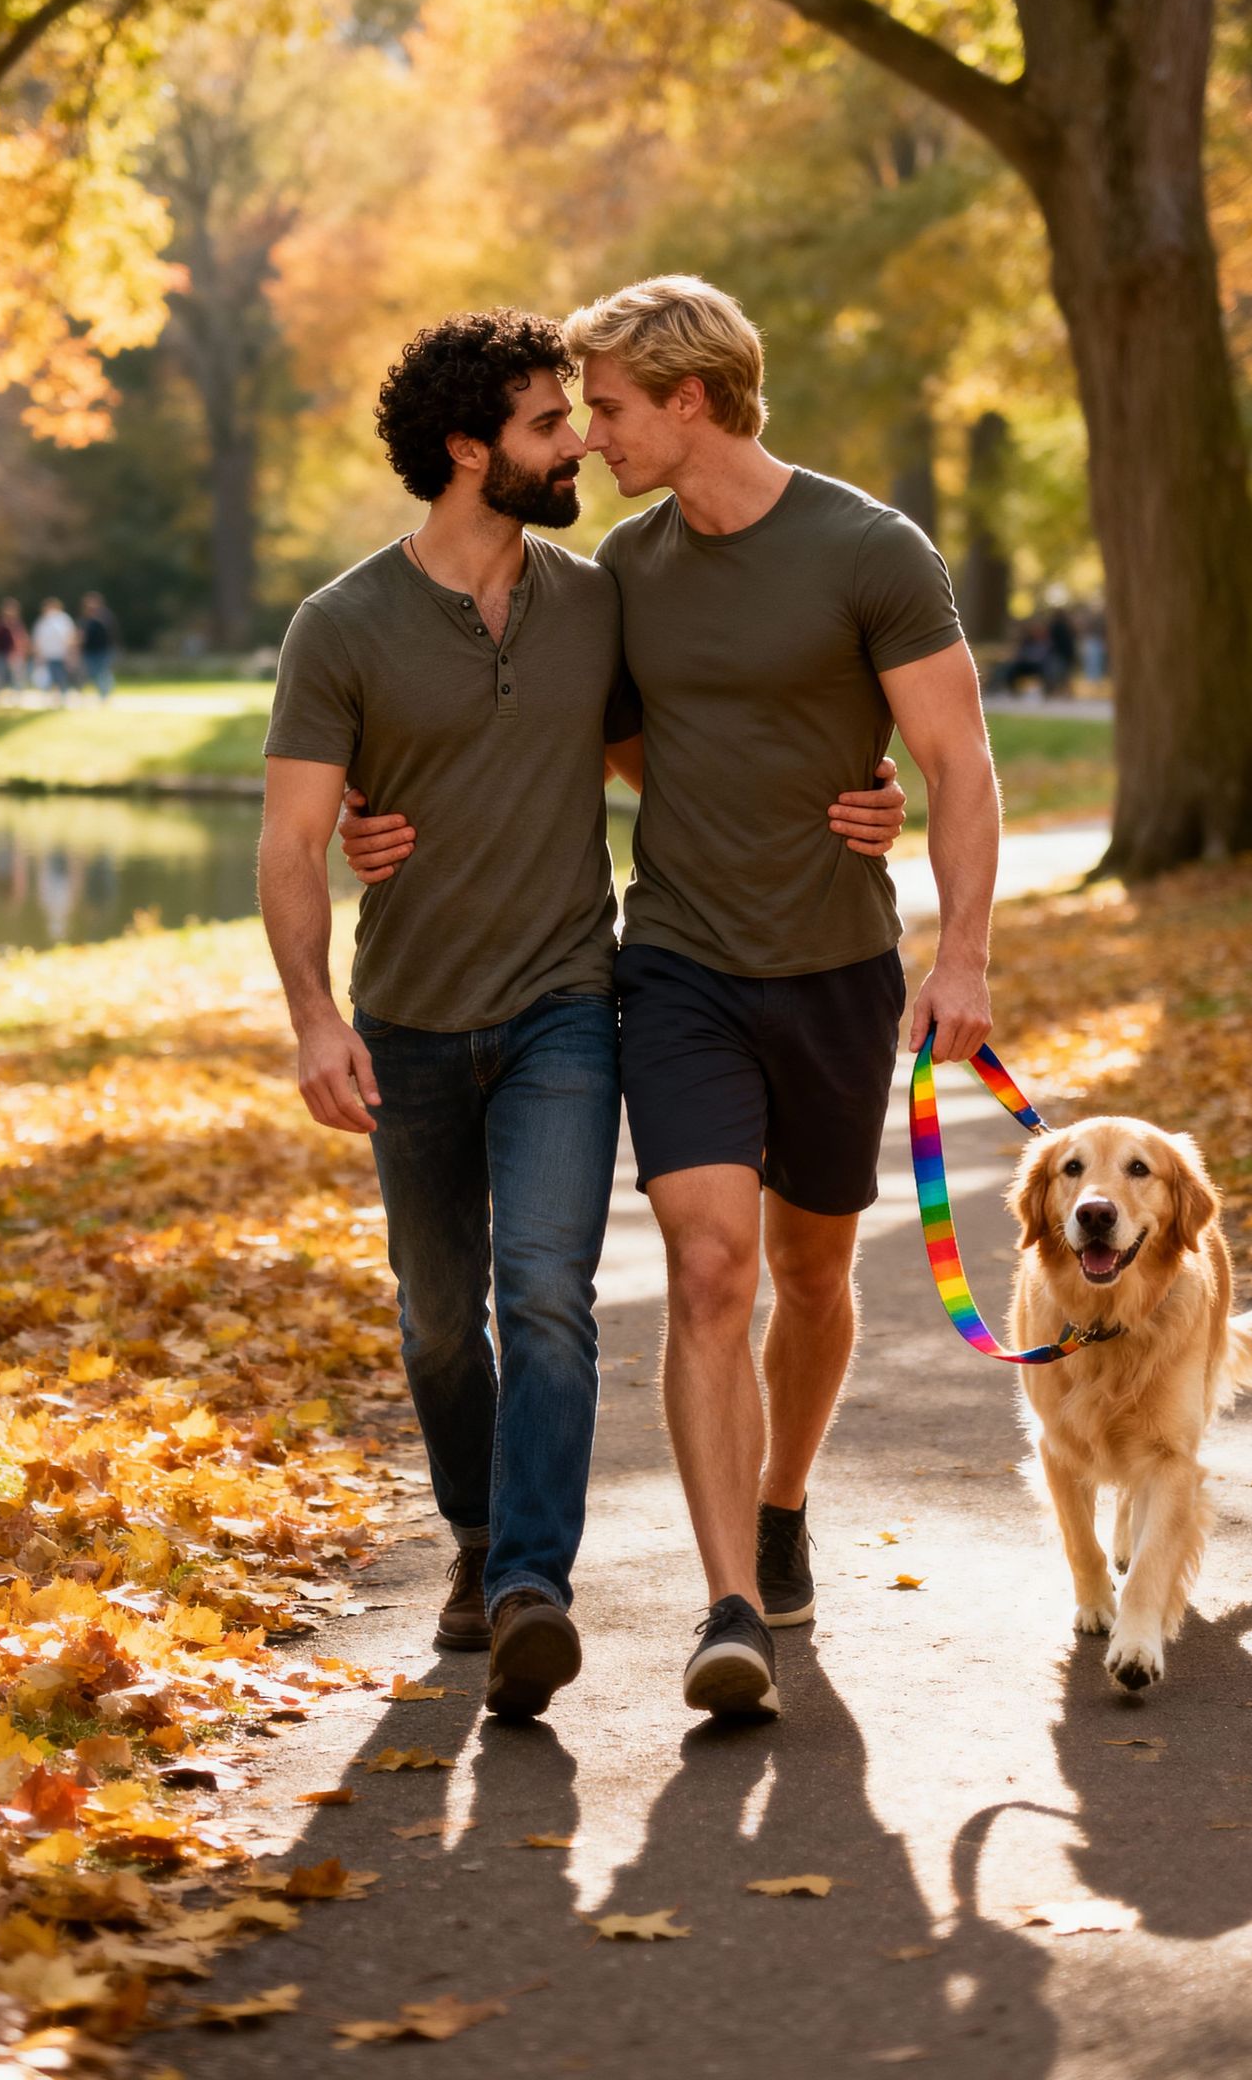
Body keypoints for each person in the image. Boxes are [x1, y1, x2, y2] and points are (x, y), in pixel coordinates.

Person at [344, 277, 998, 1724]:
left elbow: (958, 759)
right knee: (710, 1269)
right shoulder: (621, 572)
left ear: (690, 401)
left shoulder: (868, 549)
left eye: (614, 410)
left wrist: (963, 956)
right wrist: (376, 823)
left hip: (836, 965)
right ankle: (729, 1609)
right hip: (679, 965)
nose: (589, 439)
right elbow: (575, 736)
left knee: (814, 1275)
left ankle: (782, 1501)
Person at [31, 598, 78, 700]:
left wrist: (70, 653)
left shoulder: (64, 619)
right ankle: (51, 697)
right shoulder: (42, 621)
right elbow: (37, 639)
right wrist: (38, 654)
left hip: (61, 654)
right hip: (47, 654)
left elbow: (70, 637)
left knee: (61, 677)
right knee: (48, 678)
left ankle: (63, 696)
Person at [79, 593, 119, 698]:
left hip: (103, 650)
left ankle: (105, 694)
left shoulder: (104, 616)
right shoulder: (85, 619)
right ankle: (102, 692)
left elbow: (110, 632)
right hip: (89, 651)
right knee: (93, 673)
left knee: (103, 672)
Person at [0, 598, 27, 695]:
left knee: (18, 677)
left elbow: (21, 639)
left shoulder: (17, 624)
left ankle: (17, 695)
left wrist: (20, 651)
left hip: (15, 654)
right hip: (1, 654)